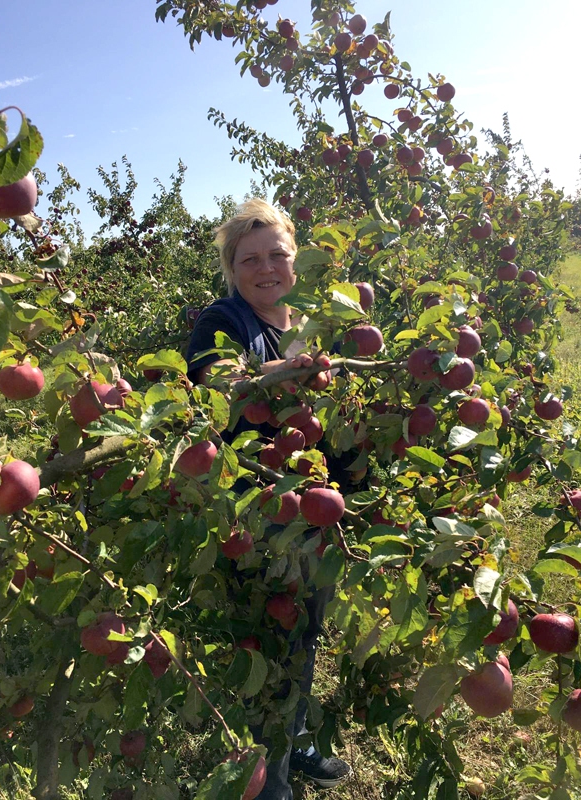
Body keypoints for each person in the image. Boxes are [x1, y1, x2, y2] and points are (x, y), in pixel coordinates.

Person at [185, 199, 351, 798]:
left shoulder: (304, 324)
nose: (265, 267)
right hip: (256, 514)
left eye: (276, 254)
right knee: (270, 642)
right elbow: (216, 382)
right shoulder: (223, 320)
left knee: (304, 632)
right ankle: (271, 778)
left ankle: (298, 740)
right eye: (248, 258)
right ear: (232, 269)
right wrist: (282, 373)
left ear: (295, 260)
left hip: (314, 509)